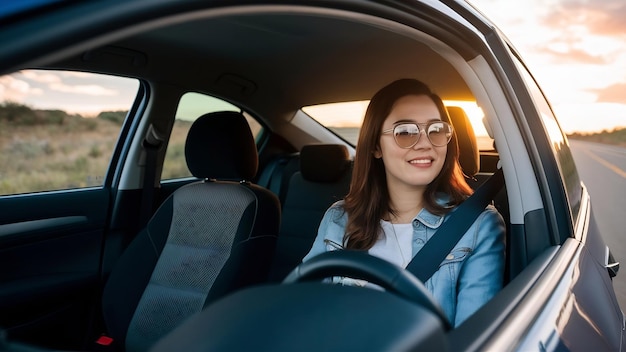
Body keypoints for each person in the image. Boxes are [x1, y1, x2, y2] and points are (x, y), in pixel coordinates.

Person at [302, 78, 506, 327]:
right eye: (405, 132)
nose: (425, 143)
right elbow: (302, 311)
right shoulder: (339, 218)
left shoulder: (478, 225)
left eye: (436, 130)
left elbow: (473, 338)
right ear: (376, 145)